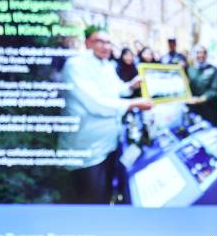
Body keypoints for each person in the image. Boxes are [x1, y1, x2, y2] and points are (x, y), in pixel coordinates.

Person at [59, 26, 152, 203]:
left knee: (106, 194)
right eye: (99, 41)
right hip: (87, 152)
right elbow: (96, 104)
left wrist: (131, 86)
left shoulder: (106, 65)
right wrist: (133, 104)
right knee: (90, 201)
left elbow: (116, 90)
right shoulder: (76, 65)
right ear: (87, 43)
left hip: (110, 145)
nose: (105, 46)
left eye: (108, 42)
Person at [186, 43, 217, 124]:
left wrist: (201, 99)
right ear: (194, 54)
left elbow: (214, 89)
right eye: (198, 52)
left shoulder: (213, 70)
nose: (201, 55)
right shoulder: (189, 69)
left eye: (203, 52)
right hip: (193, 110)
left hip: (209, 110)